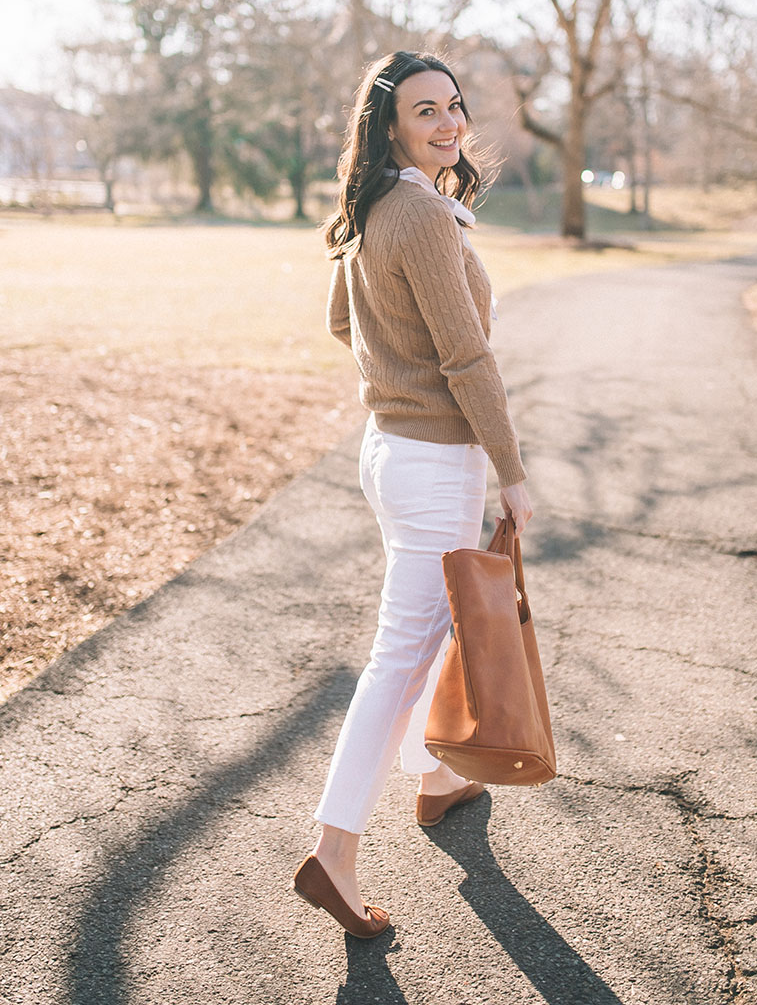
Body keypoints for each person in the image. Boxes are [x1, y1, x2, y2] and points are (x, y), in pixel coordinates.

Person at [293, 50, 533, 938]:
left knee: (436, 623)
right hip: (432, 462)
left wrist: (393, 371)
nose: (447, 123)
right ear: (390, 122)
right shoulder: (423, 215)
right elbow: (467, 357)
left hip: (394, 449)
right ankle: (334, 851)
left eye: (455, 107)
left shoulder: (378, 208)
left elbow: (340, 320)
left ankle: (436, 780)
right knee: (404, 651)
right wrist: (512, 472)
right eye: (425, 109)